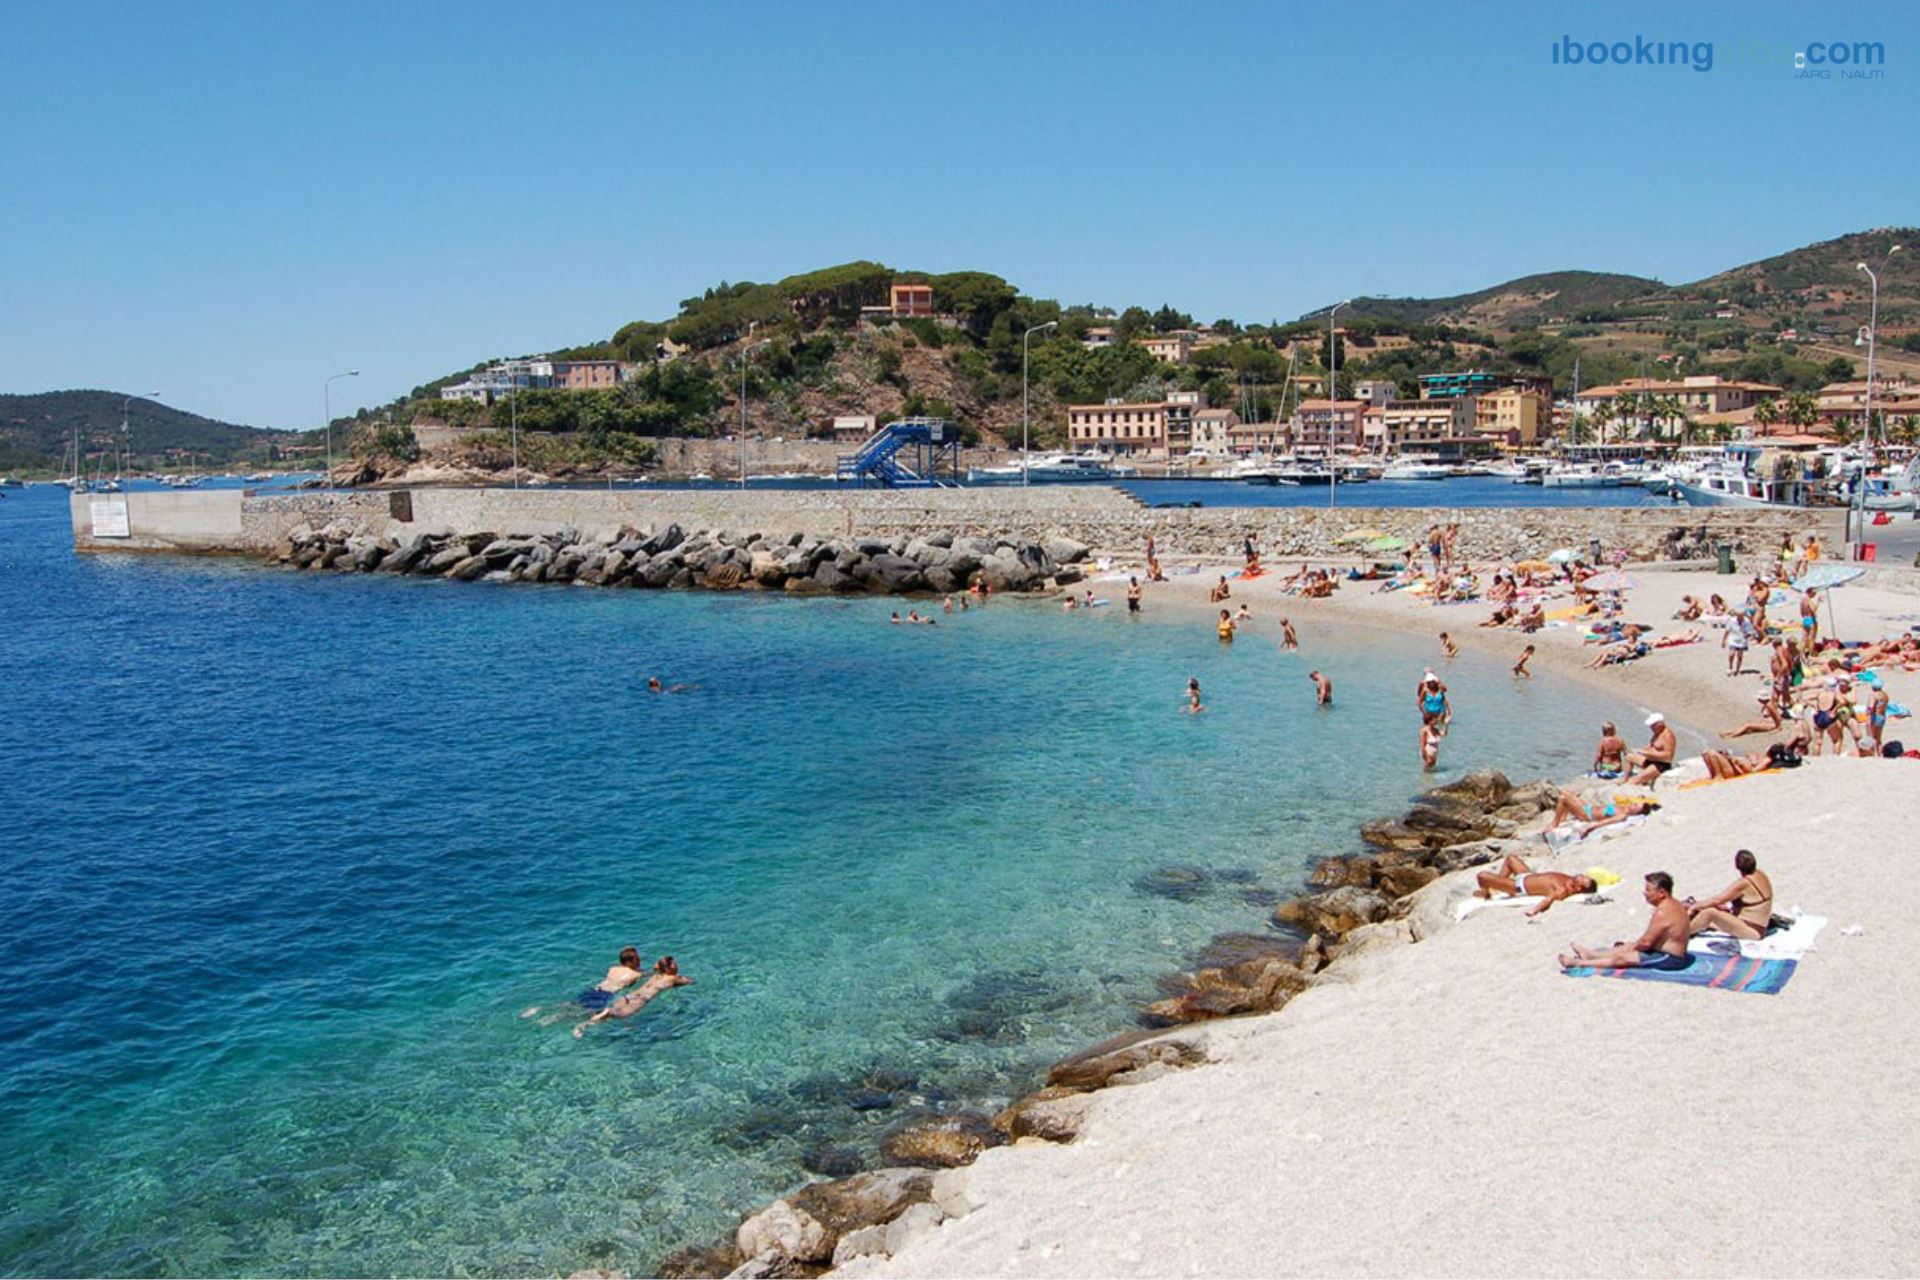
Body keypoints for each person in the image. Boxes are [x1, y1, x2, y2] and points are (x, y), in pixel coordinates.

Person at [1557, 872, 1691, 970]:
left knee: (1623, 958)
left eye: (1648, 890)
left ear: (1662, 893)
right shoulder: (1674, 904)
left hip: (1670, 958)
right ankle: (1591, 955)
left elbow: (1646, 943)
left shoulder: (1663, 912)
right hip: (1662, 950)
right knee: (1628, 946)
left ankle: (1578, 963)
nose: (1644, 893)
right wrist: (1632, 946)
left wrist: (1632, 949)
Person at [574, 957, 692, 1036]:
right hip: (639, 1001)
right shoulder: (673, 978)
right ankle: (583, 1025)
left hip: (629, 996)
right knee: (614, 1016)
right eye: (675, 964)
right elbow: (689, 981)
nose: (677, 966)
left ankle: (591, 1017)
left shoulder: (657, 975)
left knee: (609, 1013)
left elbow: (655, 969)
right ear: (670, 967)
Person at [1687, 849, 1774, 941]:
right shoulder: (1760, 874)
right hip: (1756, 925)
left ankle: (1682, 934)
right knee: (1705, 914)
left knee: (1709, 913)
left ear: (1737, 866)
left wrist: (1694, 906)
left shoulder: (1744, 883)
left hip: (1752, 930)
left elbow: (1718, 900)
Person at [1473, 853, 1597, 915]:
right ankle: (1496, 885)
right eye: (1584, 877)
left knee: (1482, 876)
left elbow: (1548, 900)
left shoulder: (1563, 890)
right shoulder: (1570, 879)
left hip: (1516, 886)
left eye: (1582, 880)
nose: (1581, 876)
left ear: (1579, 888)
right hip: (1526, 875)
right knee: (1511, 858)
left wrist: (1533, 911)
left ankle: (1486, 893)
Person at [1625, 712, 1676, 786]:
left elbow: (1668, 756)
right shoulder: (1657, 732)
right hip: (1650, 760)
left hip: (1660, 765)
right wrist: (1640, 751)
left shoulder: (1668, 736)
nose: (1650, 728)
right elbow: (1652, 746)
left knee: (1634, 780)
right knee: (1629, 757)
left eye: (1652, 726)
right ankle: (1624, 778)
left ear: (1660, 725)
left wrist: (1647, 753)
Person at [1724, 610, 1751, 677]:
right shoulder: (1732, 621)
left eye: (1740, 616)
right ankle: (1730, 667)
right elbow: (1727, 630)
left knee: (1739, 656)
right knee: (1731, 654)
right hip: (1733, 639)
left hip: (1742, 640)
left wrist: (1747, 635)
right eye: (1738, 616)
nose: (1739, 618)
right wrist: (1724, 640)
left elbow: (1750, 631)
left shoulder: (1747, 621)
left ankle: (1738, 669)